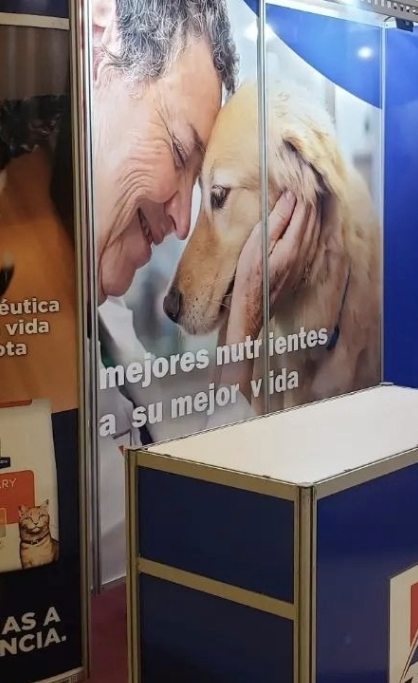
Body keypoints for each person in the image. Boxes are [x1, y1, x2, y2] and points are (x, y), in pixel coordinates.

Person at [89, 0, 319, 583]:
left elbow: (186, 480)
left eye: (202, 185)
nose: (182, 221)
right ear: (98, 53)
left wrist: (243, 321)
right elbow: (188, 532)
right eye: (177, 152)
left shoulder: (108, 319)